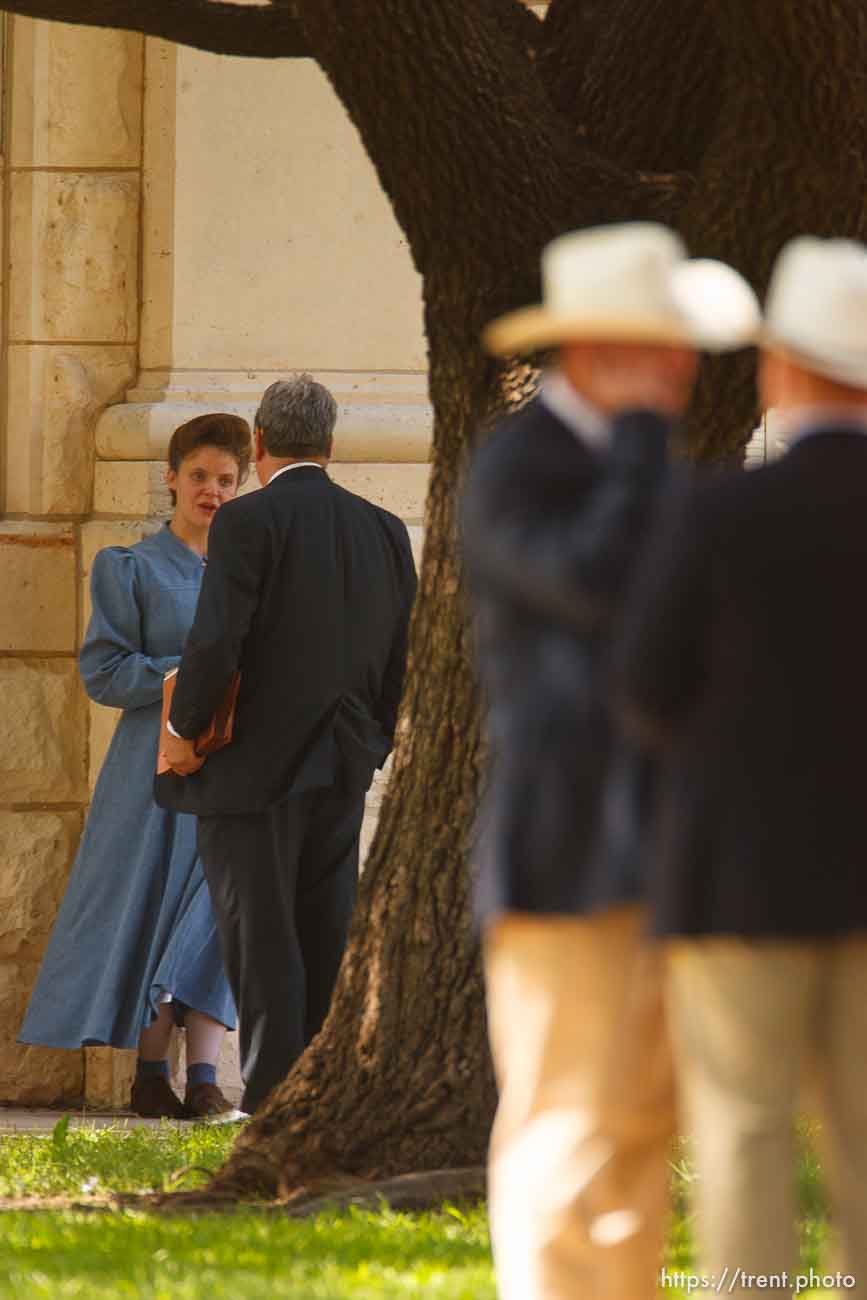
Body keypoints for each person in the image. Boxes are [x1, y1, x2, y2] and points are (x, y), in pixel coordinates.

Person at [462, 223, 759, 1300]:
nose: (683, 367)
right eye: (659, 344)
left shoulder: (645, 469)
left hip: (658, 850)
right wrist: (640, 445)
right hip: (566, 853)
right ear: (596, 350)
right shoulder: (520, 466)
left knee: (637, 1129)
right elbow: (593, 580)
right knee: (568, 1122)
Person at [617, 235, 867, 1298]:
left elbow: (642, 681)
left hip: (738, 870)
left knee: (745, 1135)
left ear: (784, 366)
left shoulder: (714, 510)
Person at [156, 374, 417, 1116]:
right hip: (345, 761)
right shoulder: (384, 529)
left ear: (260, 443)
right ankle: (321, 1098)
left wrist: (182, 730)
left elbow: (217, 642)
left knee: (259, 934)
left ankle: (273, 1101)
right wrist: (376, 739)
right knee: (324, 931)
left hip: (250, 769)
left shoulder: (246, 523)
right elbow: (403, 651)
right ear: (331, 447)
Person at [20, 413, 252, 1120]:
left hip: (234, 770)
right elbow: (106, 673)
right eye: (199, 477)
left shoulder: (251, 575)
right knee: (151, 906)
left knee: (217, 913)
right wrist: (189, 674)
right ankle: (151, 1076)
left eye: (225, 480)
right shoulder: (133, 567)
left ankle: (207, 1078)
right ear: (171, 479)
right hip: (151, 771)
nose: (210, 491)